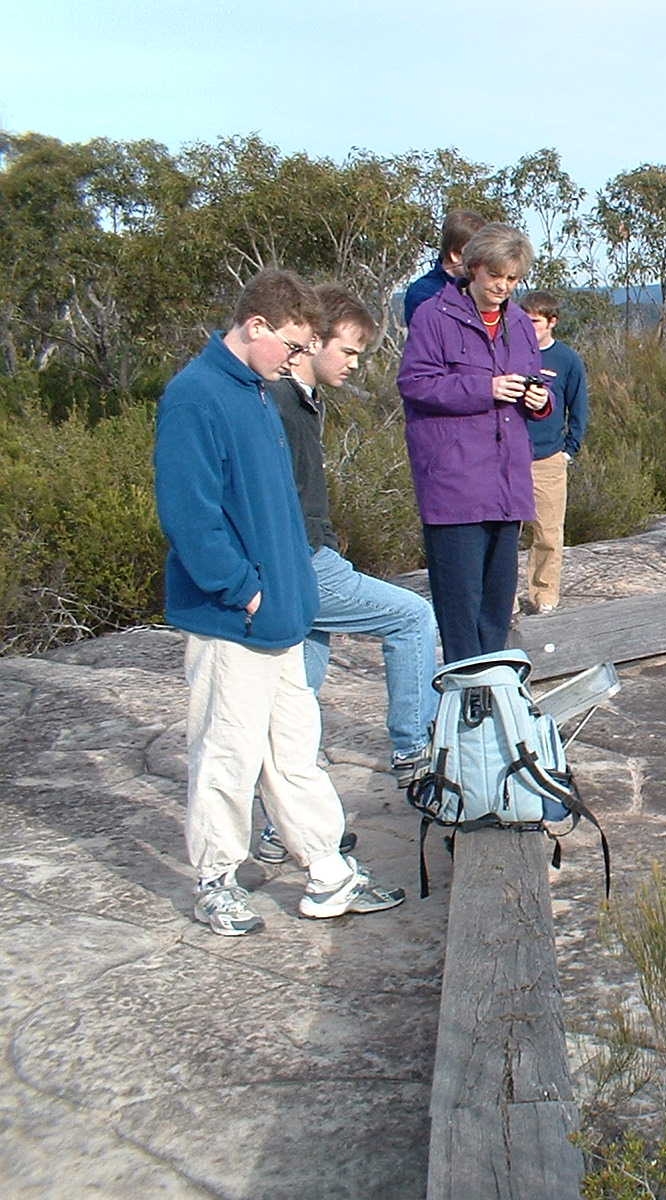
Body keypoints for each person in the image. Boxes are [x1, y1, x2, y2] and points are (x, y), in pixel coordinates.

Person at [153, 269, 405, 936]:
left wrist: (290, 591)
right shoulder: (195, 397)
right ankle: (217, 881)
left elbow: (282, 510)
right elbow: (191, 518)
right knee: (227, 754)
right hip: (232, 621)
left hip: (282, 614)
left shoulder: (259, 394)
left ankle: (329, 875)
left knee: (295, 753)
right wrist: (247, 592)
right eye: (292, 346)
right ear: (255, 325)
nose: (298, 359)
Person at [252, 285, 442, 863]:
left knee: (298, 696)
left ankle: (282, 828)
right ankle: (414, 753)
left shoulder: (300, 400)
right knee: (411, 618)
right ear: (313, 341)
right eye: (349, 350)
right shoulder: (280, 402)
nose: (355, 364)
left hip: (302, 561)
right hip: (303, 564)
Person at [398, 223, 550, 662]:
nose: (503, 287)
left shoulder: (519, 323)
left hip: (507, 486)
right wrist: (486, 389)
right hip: (455, 485)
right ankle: (466, 694)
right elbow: (415, 384)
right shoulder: (433, 315)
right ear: (474, 268)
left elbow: (536, 381)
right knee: (460, 609)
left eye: (513, 279)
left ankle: (493, 689)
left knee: (496, 609)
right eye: (495, 276)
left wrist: (541, 400)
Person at [516, 291, 589, 615]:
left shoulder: (566, 359)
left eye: (534, 321)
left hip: (548, 459)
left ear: (552, 322)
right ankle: (503, 601)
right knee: (504, 536)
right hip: (508, 458)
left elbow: (579, 408)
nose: (528, 327)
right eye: (523, 320)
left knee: (547, 532)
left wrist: (569, 450)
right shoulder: (509, 353)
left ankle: (544, 596)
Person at [403, 209, 487, 326]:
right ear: (454, 255)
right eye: (476, 255)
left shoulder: (483, 287)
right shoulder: (423, 293)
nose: (483, 261)